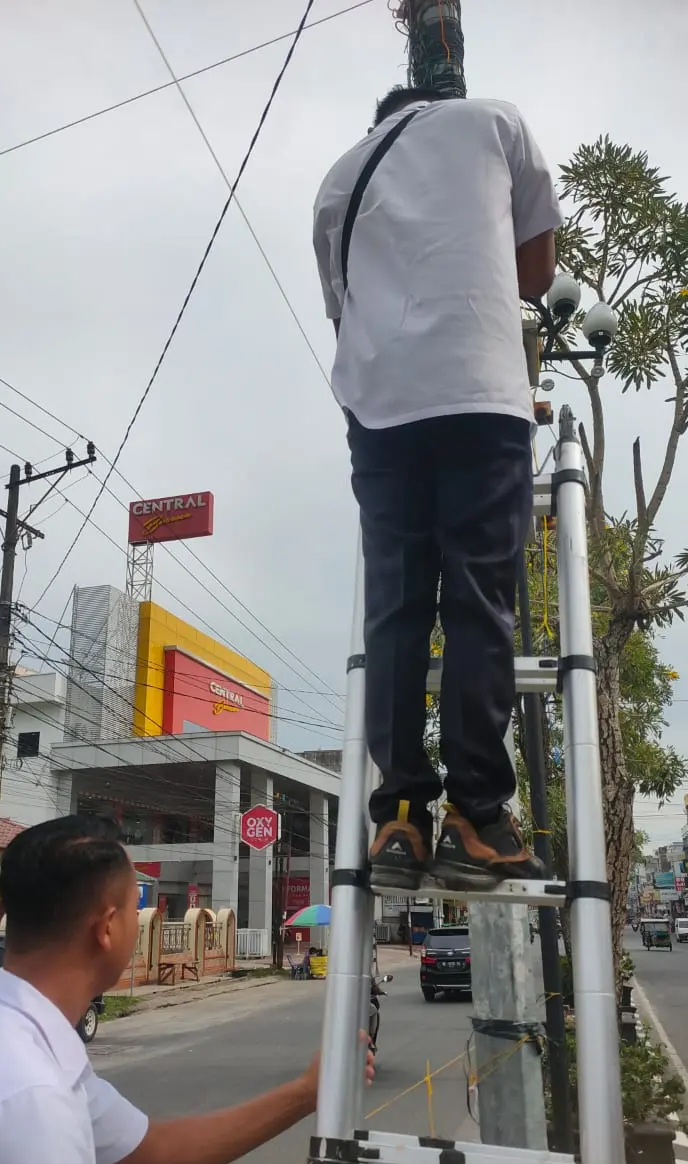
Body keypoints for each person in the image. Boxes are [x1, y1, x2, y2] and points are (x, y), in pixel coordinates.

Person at [313, 87, 563, 893]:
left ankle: (398, 819)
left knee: (397, 608)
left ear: (380, 115)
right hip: (476, 389)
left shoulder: (336, 181)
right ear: (434, 97)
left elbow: (342, 311)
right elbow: (536, 272)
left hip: (380, 407)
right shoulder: (493, 120)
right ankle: (477, 815)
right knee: (478, 599)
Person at [0, 816, 374, 1164]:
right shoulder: (28, 1102)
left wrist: (306, 1092)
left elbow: (158, 1152)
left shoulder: (19, 1042)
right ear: (107, 928)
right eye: (133, 908)